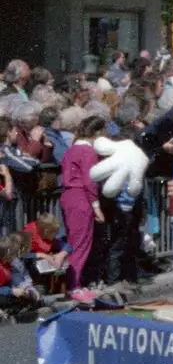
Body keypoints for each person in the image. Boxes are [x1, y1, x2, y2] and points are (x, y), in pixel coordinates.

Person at [58, 114, 107, 295]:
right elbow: (90, 181)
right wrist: (96, 206)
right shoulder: (88, 151)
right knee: (81, 242)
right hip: (80, 198)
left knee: (73, 241)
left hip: (68, 197)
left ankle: (73, 282)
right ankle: (75, 285)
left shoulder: (71, 149)